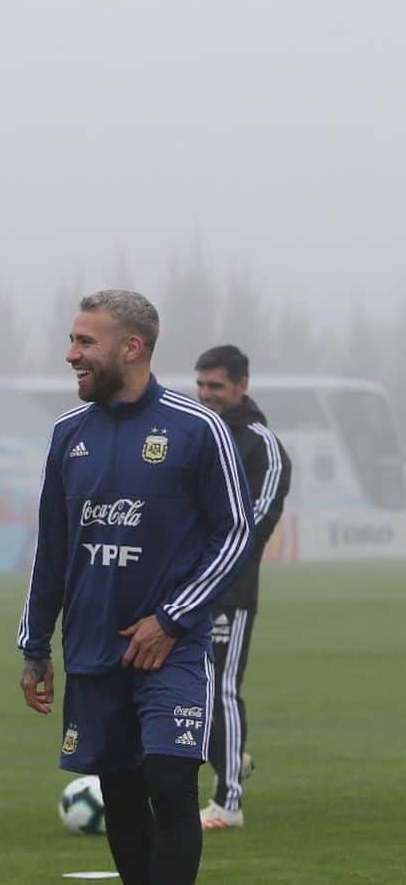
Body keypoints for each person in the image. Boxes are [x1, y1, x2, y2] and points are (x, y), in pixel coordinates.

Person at [17, 290, 253, 885]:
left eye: (85, 341)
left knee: (170, 782)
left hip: (172, 650)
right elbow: (52, 547)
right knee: (120, 794)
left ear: (132, 347)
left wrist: (173, 617)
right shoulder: (69, 434)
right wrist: (35, 645)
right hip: (91, 649)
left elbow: (235, 531)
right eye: (72, 339)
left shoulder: (195, 428)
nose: (71, 354)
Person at [194, 345, 292, 830]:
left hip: (226, 594)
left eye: (216, 385)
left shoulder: (262, 446)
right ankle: (230, 757)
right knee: (166, 689)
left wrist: (203, 570)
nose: (206, 394)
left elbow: (250, 530)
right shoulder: (192, 433)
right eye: (201, 385)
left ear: (241, 386)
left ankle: (228, 802)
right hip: (174, 593)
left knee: (220, 689)